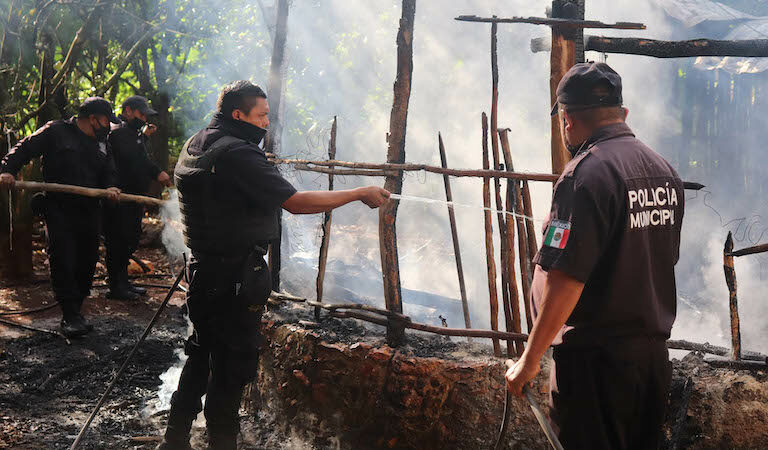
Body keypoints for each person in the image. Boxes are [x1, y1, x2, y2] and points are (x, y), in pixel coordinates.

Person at [157, 80, 390, 450]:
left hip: (202, 272)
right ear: (239, 115)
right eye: (261, 115)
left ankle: (174, 440)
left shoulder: (196, 144)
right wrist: (359, 193)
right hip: (234, 276)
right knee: (231, 366)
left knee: (201, 353)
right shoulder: (237, 154)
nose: (267, 122)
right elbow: (295, 202)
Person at [505, 62, 685, 450]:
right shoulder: (663, 171)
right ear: (623, 113)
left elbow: (566, 280)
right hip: (650, 364)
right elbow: (662, 260)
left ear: (567, 120)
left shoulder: (586, 175)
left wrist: (531, 358)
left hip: (595, 370)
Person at [0, 97, 122, 337]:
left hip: (89, 209)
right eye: (107, 120)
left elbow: (110, 171)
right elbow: (24, 149)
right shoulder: (56, 131)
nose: (109, 126)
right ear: (92, 118)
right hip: (59, 208)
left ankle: (76, 310)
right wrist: (6, 170)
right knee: (63, 257)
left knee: (87, 260)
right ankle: (69, 315)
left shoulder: (102, 143)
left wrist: (111, 187)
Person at [103, 95, 172, 301]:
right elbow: (137, 160)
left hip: (134, 198)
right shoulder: (119, 133)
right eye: (141, 114)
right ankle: (116, 286)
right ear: (128, 111)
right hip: (120, 198)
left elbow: (138, 153)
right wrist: (157, 172)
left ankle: (123, 282)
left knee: (130, 239)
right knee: (118, 241)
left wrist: (145, 136)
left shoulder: (132, 133)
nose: (144, 118)